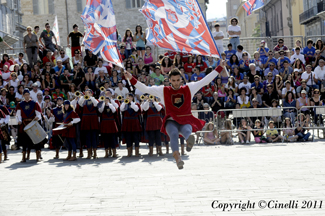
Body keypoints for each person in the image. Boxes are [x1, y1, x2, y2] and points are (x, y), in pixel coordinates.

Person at [125, 62, 226, 169]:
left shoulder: (189, 88)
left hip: (185, 118)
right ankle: (178, 158)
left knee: (187, 130)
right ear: (169, 80)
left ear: (181, 79)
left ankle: (189, 140)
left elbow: (205, 81)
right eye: (173, 80)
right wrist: (131, 78)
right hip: (171, 120)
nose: (176, 83)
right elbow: (145, 89)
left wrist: (220, 67)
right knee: (173, 134)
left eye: (178, 80)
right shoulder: (163, 90)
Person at [16, 88, 42, 162]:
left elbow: (39, 113)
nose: (27, 96)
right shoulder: (20, 104)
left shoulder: (34, 103)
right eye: (25, 95)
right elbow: (18, 115)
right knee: (24, 141)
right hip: (24, 124)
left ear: (29, 95)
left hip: (33, 123)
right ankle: (24, 157)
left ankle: (37, 156)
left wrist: (38, 117)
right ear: (23, 95)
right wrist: (19, 121)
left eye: (28, 95)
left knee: (35, 140)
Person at [77, 89, 99, 159]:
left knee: (94, 137)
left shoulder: (94, 99)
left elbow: (96, 104)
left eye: (89, 93)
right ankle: (89, 153)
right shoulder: (84, 100)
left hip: (93, 120)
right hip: (86, 120)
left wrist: (91, 97)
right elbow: (80, 103)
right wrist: (83, 96)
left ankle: (95, 153)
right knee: (87, 137)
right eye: (87, 93)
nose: (87, 94)